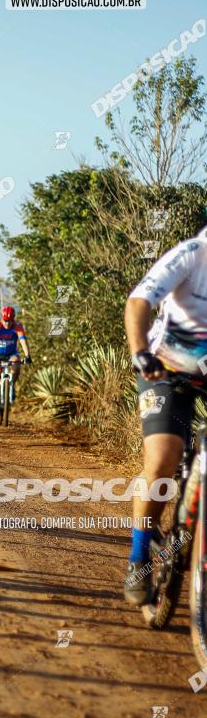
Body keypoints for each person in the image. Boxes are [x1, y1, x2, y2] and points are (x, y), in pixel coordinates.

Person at [124, 225, 207, 604]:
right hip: (165, 370)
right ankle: (139, 557)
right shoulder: (192, 253)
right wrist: (141, 351)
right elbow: (139, 301)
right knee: (162, 458)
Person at [0, 306, 31, 416]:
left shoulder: (17, 327)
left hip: (11, 355)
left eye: (10, 321)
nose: (7, 324)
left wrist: (28, 355)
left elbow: (23, 341)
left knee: (17, 363)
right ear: (2, 318)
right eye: (5, 321)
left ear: (13, 319)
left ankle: (11, 385)